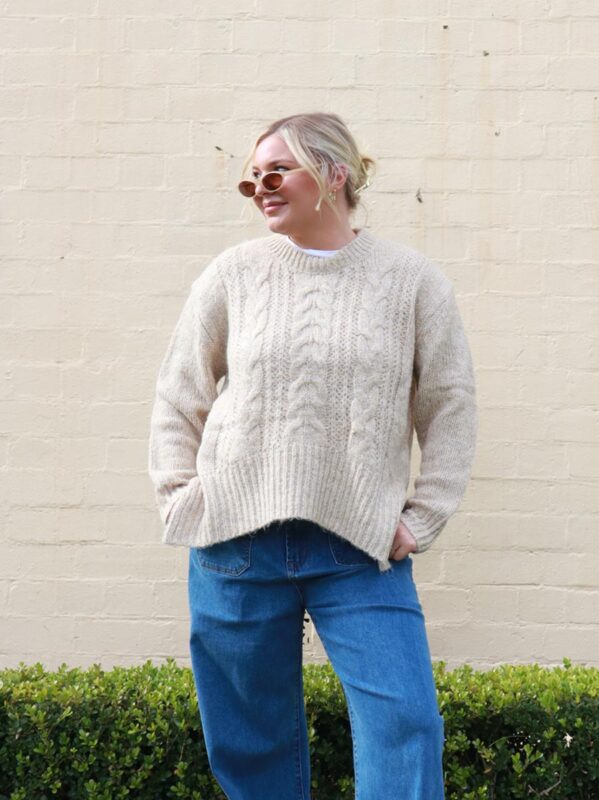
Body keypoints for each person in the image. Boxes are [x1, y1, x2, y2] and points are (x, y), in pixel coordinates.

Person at [148, 111, 478, 800]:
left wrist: (423, 518)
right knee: (250, 740)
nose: (260, 186)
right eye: (252, 177)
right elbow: (181, 393)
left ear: (333, 174)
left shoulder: (411, 282)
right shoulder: (234, 274)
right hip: (235, 543)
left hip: (358, 545)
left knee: (405, 724)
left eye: (276, 171)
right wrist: (179, 493)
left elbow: (449, 405)